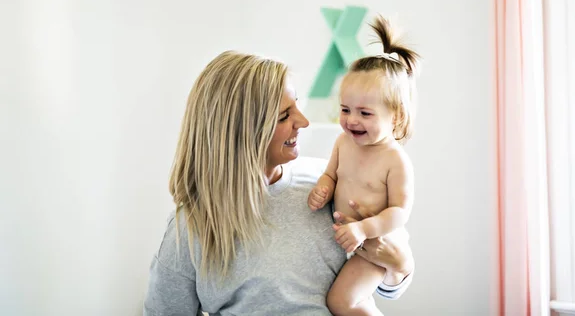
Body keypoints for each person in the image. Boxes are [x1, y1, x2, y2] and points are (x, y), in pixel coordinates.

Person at [143, 50, 414, 315]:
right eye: (285, 115)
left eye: (297, 105)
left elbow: (383, 284)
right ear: (243, 130)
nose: (304, 122)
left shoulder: (328, 183)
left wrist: (400, 266)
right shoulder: (192, 228)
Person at [308, 16, 419, 316]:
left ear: (395, 116)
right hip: (350, 237)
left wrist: (364, 229)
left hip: (376, 242)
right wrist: (323, 188)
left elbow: (399, 211)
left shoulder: (395, 160)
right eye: (345, 109)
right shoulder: (343, 143)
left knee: (344, 302)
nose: (351, 120)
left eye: (365, 113)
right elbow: (331, 174)